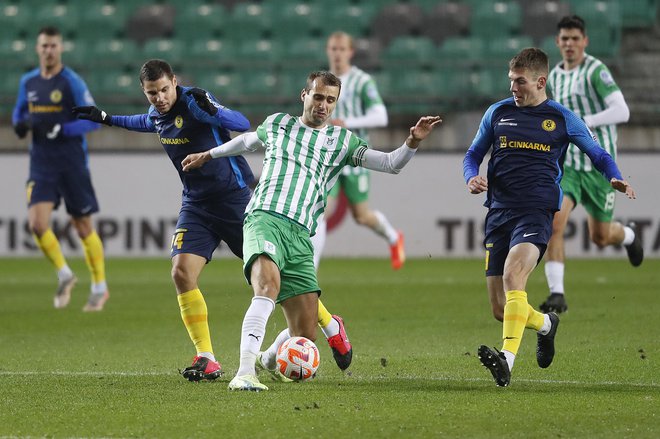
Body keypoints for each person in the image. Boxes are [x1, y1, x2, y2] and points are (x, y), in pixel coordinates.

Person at [73, 61, 353, 381]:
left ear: (174, 82)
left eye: (165, 90)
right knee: (181, 272)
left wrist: (214, 111)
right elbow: (144, 121)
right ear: (145, 91)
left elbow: (241, 122)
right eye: (152, 93)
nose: (160, 98)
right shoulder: (157, 113)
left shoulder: (194, 101)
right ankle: (206, 357)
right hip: (196, 205)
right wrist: (107, 118)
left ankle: (332, 326)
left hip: (235, 201)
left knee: (278, 279)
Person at [181, 71, 441, 391]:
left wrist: (413, 141)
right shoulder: (278, 123)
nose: (323, 105)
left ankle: (267, 359)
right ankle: (244, 371)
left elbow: (390, 163)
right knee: (267, 287)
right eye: (318, 97)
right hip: (264, 217)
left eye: (330, 100)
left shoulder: (342, 141)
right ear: (304, 96)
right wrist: (209, 154)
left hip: (302, 233)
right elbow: (248, 141)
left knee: (305, 334)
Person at [463, 48, 635, 387]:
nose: (513, 87)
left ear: (541, 81)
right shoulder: (497, 113)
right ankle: (545, 324)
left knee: (515, 275)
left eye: (520, 81)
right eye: (511, 80)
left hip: (537, 212)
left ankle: (507, 361)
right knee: (501, 309)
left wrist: (613, 175)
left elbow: (597, 152)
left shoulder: (561, 117)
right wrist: (470, 176)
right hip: (498, 214)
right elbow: (473, 154)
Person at [541, 15, 643, 314]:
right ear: (558, 42)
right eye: (565, 39)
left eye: (575, 38)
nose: (570, 44)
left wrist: (589, 122)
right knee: (554, 223)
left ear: (585, 41)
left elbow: (622, 111)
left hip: (599, 165)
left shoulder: (596, 71)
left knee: (600, 237)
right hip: (569, 164)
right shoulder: (555, 76)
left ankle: (628, 235)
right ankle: (557, 294)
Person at [12, 26, 109, 312]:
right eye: (44, 46)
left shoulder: (71, 82)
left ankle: (99, 286)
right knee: (37, 224)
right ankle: (65, 274)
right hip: (41, 163)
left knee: (82, 226)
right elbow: (20, 112)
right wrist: (20, 124)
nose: (48, 51)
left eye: (53, 46)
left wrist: (62, 128)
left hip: (71, 163)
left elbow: (92, 120)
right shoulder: (28, 82)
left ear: (61, 48)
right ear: (37, 49)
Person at [310, 31, 404, 271]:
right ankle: (311, 270)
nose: (337, 53)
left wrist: (347, 122)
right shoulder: (320, 81)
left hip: (354, 156)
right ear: (327, 51)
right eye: (333, 49)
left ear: (350, 52)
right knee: (321, 210)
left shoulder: (362, 81)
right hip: (328, 155)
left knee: (361, 216)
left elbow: (381, 116)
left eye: (342, 49)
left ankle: (394, 238)